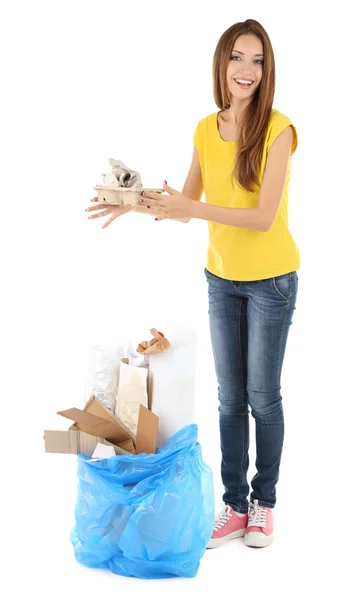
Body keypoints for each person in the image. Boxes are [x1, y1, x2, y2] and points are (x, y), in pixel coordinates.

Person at [86, 18, 299, 550]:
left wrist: (191, 207)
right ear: (221, 64)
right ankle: (234, 505)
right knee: (229, 400)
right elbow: (184, 207)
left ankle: (264, 505)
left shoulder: (280, 129)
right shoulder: (207, 128)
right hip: (221, 279)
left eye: (256, 60)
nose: (245, 70)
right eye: (236, 57)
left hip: (271, 279)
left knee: (262, 398)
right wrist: (132, 204)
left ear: (266, 69)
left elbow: (263, 216)